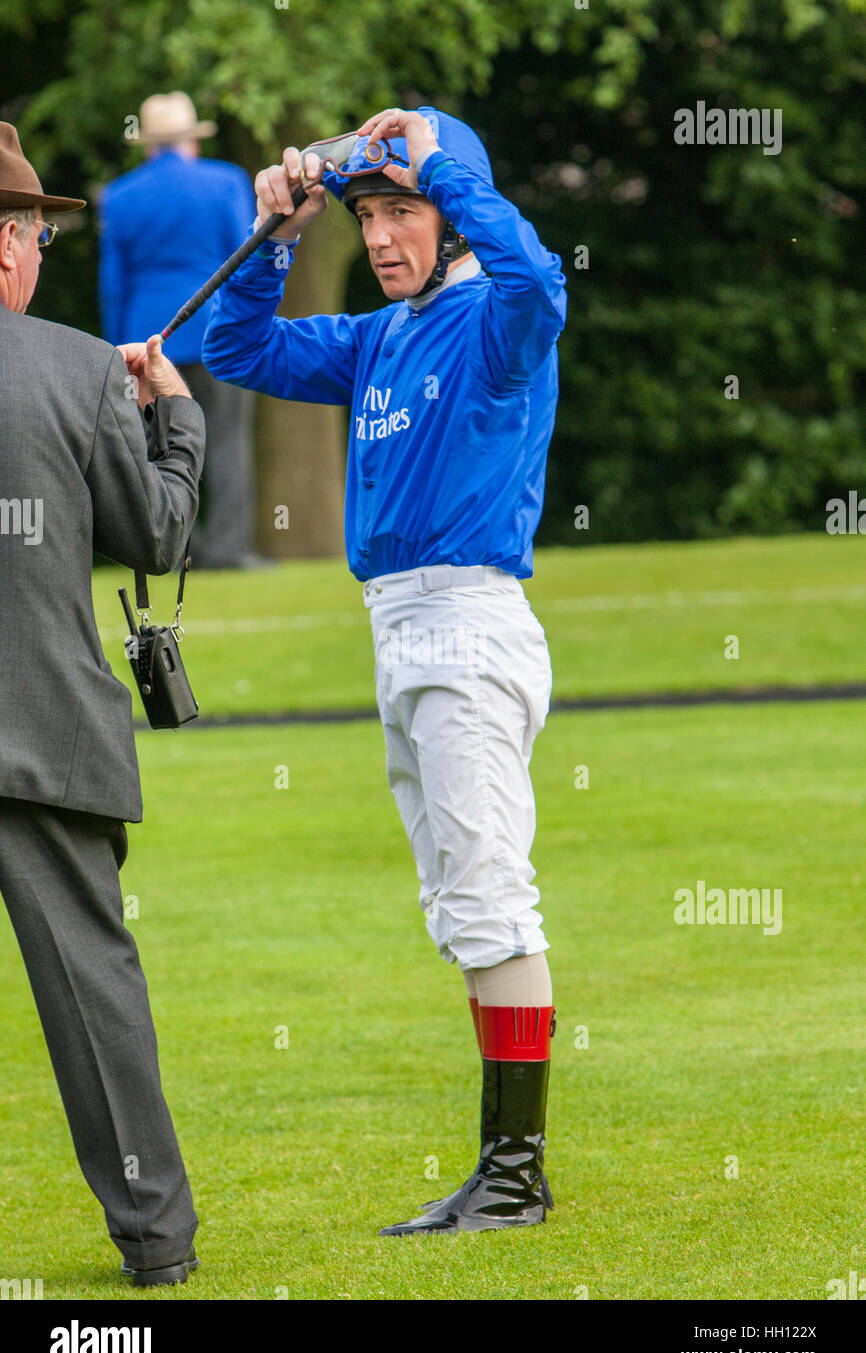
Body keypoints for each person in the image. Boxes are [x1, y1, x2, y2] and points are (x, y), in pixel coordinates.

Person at [202, 105, 567, 1235]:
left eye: (399, 210)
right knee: (459, 904)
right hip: (398, 634)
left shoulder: (498, 320)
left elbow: (541, 282)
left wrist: (445, 176)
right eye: (366, 215)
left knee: (490, 898)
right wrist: (274, 236)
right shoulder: (374, 337)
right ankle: (503, 1169)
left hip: (465, 626)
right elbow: (237, 350)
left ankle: (513, 1177)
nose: (380, 235)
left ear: (449, 213)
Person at [0, 121, 204, 1285]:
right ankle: (156, 1245)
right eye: (34, 236)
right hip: (43, 739)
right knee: (94, 1001)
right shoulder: (78, 370)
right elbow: (157, 531)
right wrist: (169, 417)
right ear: (9, 246)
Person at [99, 90, 267, 569]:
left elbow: (114, 284)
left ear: (149, 144)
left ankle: (162, 548)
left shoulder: (121, 195)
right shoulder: (226, 183)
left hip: (147, 337)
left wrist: (119, 350)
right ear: (191, 139)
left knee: (154, 447)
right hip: (218, 331)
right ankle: (229, 548)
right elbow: (244, 261)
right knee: (228, 440)